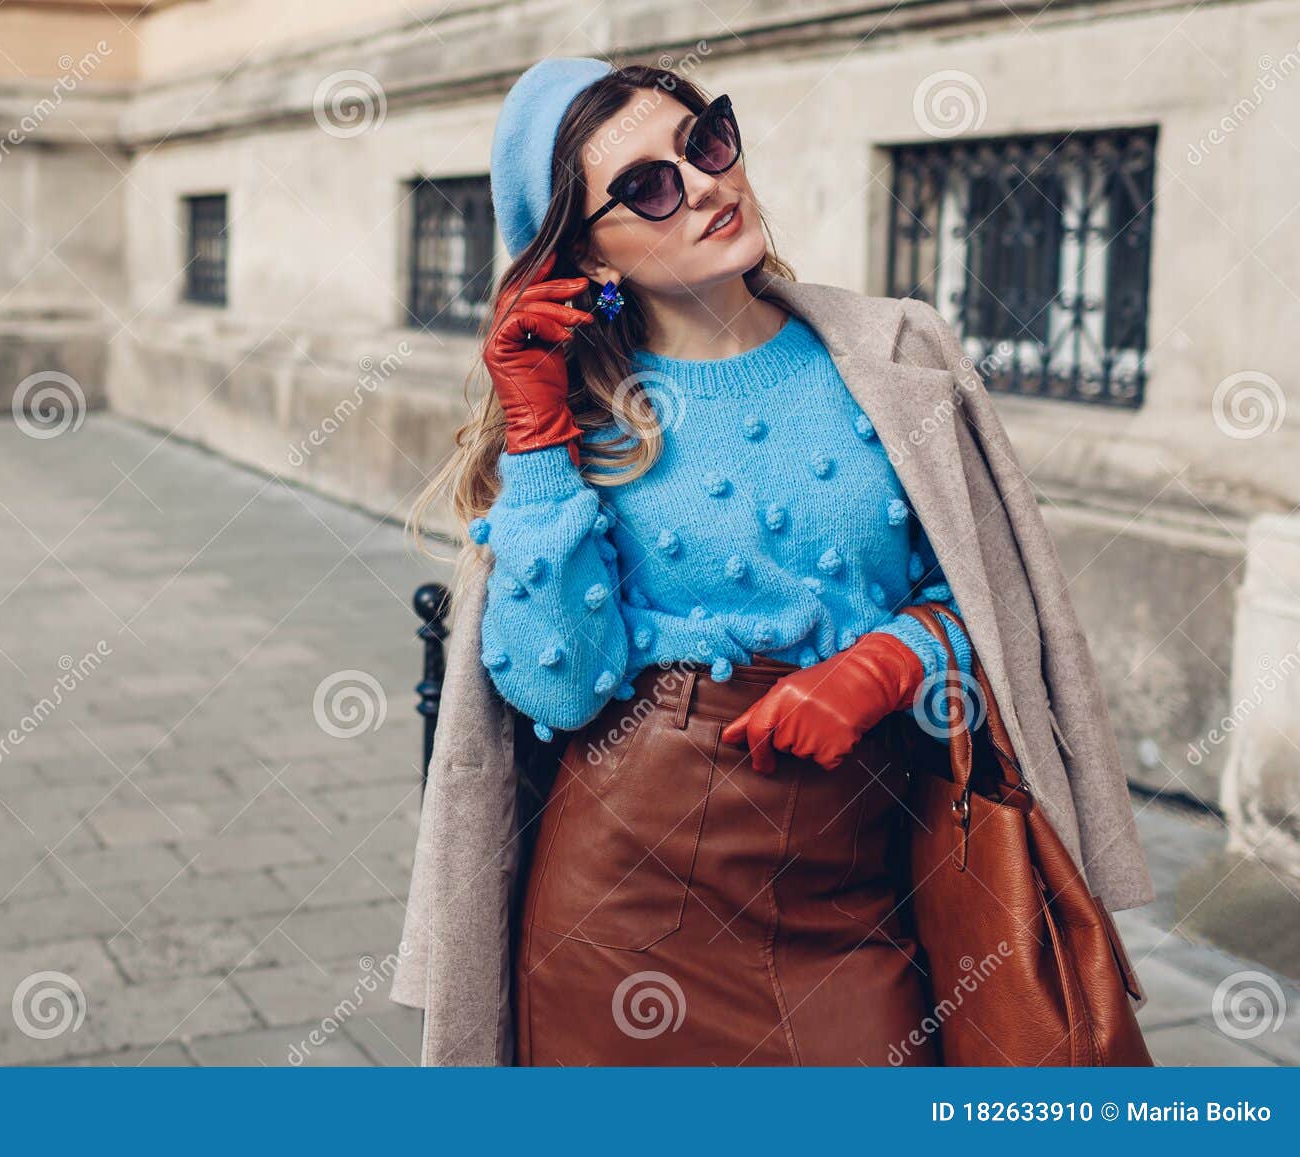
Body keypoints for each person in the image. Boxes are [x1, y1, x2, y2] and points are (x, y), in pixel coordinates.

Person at [396, 55, 1153, 1066]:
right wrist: (536, 444)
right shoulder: (577, 419)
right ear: (588, 256)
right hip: (629, 892)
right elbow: (560, 687)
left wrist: (890, 662)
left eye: (704, 139)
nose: (705, 183)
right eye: (648, 187)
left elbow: (997, 592)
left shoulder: (894, 351)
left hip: (868, 856)